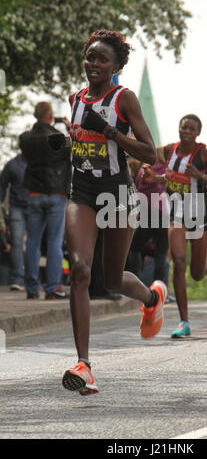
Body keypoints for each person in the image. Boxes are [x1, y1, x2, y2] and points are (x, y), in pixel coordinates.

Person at [61, 29, 167, 396]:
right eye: (90, 57)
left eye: (102, 59)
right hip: (83, 191)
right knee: (79, 270)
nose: (93, 63)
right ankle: (84, 365)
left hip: (118, 193)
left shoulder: (124, 99)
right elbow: (79, 145)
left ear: (116, 65)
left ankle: (152, 299)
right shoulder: (75, 98)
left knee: (110, 279)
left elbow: (150, 153)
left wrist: (108, 130)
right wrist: (64, 145)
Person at [143, 114, 207, 338]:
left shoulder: (205, 154)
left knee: (197, 273)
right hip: (177, 215)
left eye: (191, 128)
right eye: (184, 127)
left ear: (198, 132)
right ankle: (184, 321)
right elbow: (172, 178)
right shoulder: (170, 150)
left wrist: (201, 176)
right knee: (178, 263)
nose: (187, 131)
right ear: (179, 129)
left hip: (199, 215)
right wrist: (155, 179)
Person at [19, 101, 72, 300]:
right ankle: (52, 288)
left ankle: (31, 289)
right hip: (56, 194)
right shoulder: (58, 139)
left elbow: (26, 150)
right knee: (54, 242)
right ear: (50, 117)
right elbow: (73, 146)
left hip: (34, 193)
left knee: (32, 241)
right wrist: (67, 125)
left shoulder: (25, 139)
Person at [127, 161, 169, 287]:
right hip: (162, 214)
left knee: (134, 248)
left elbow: (138, 192)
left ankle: (135, 282)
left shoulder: (144, 170)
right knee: (161, 253)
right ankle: (160, 288)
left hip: (147, 213)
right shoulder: (162, 170)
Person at [0, 151, 29, 290]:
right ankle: (21, 277)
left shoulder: (12, 164)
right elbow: (2, 183)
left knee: (19, 242)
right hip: (25, 207)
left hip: (24, 207)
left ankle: (22, 278)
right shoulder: (13, 165)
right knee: (20, 242)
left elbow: (2, 184)